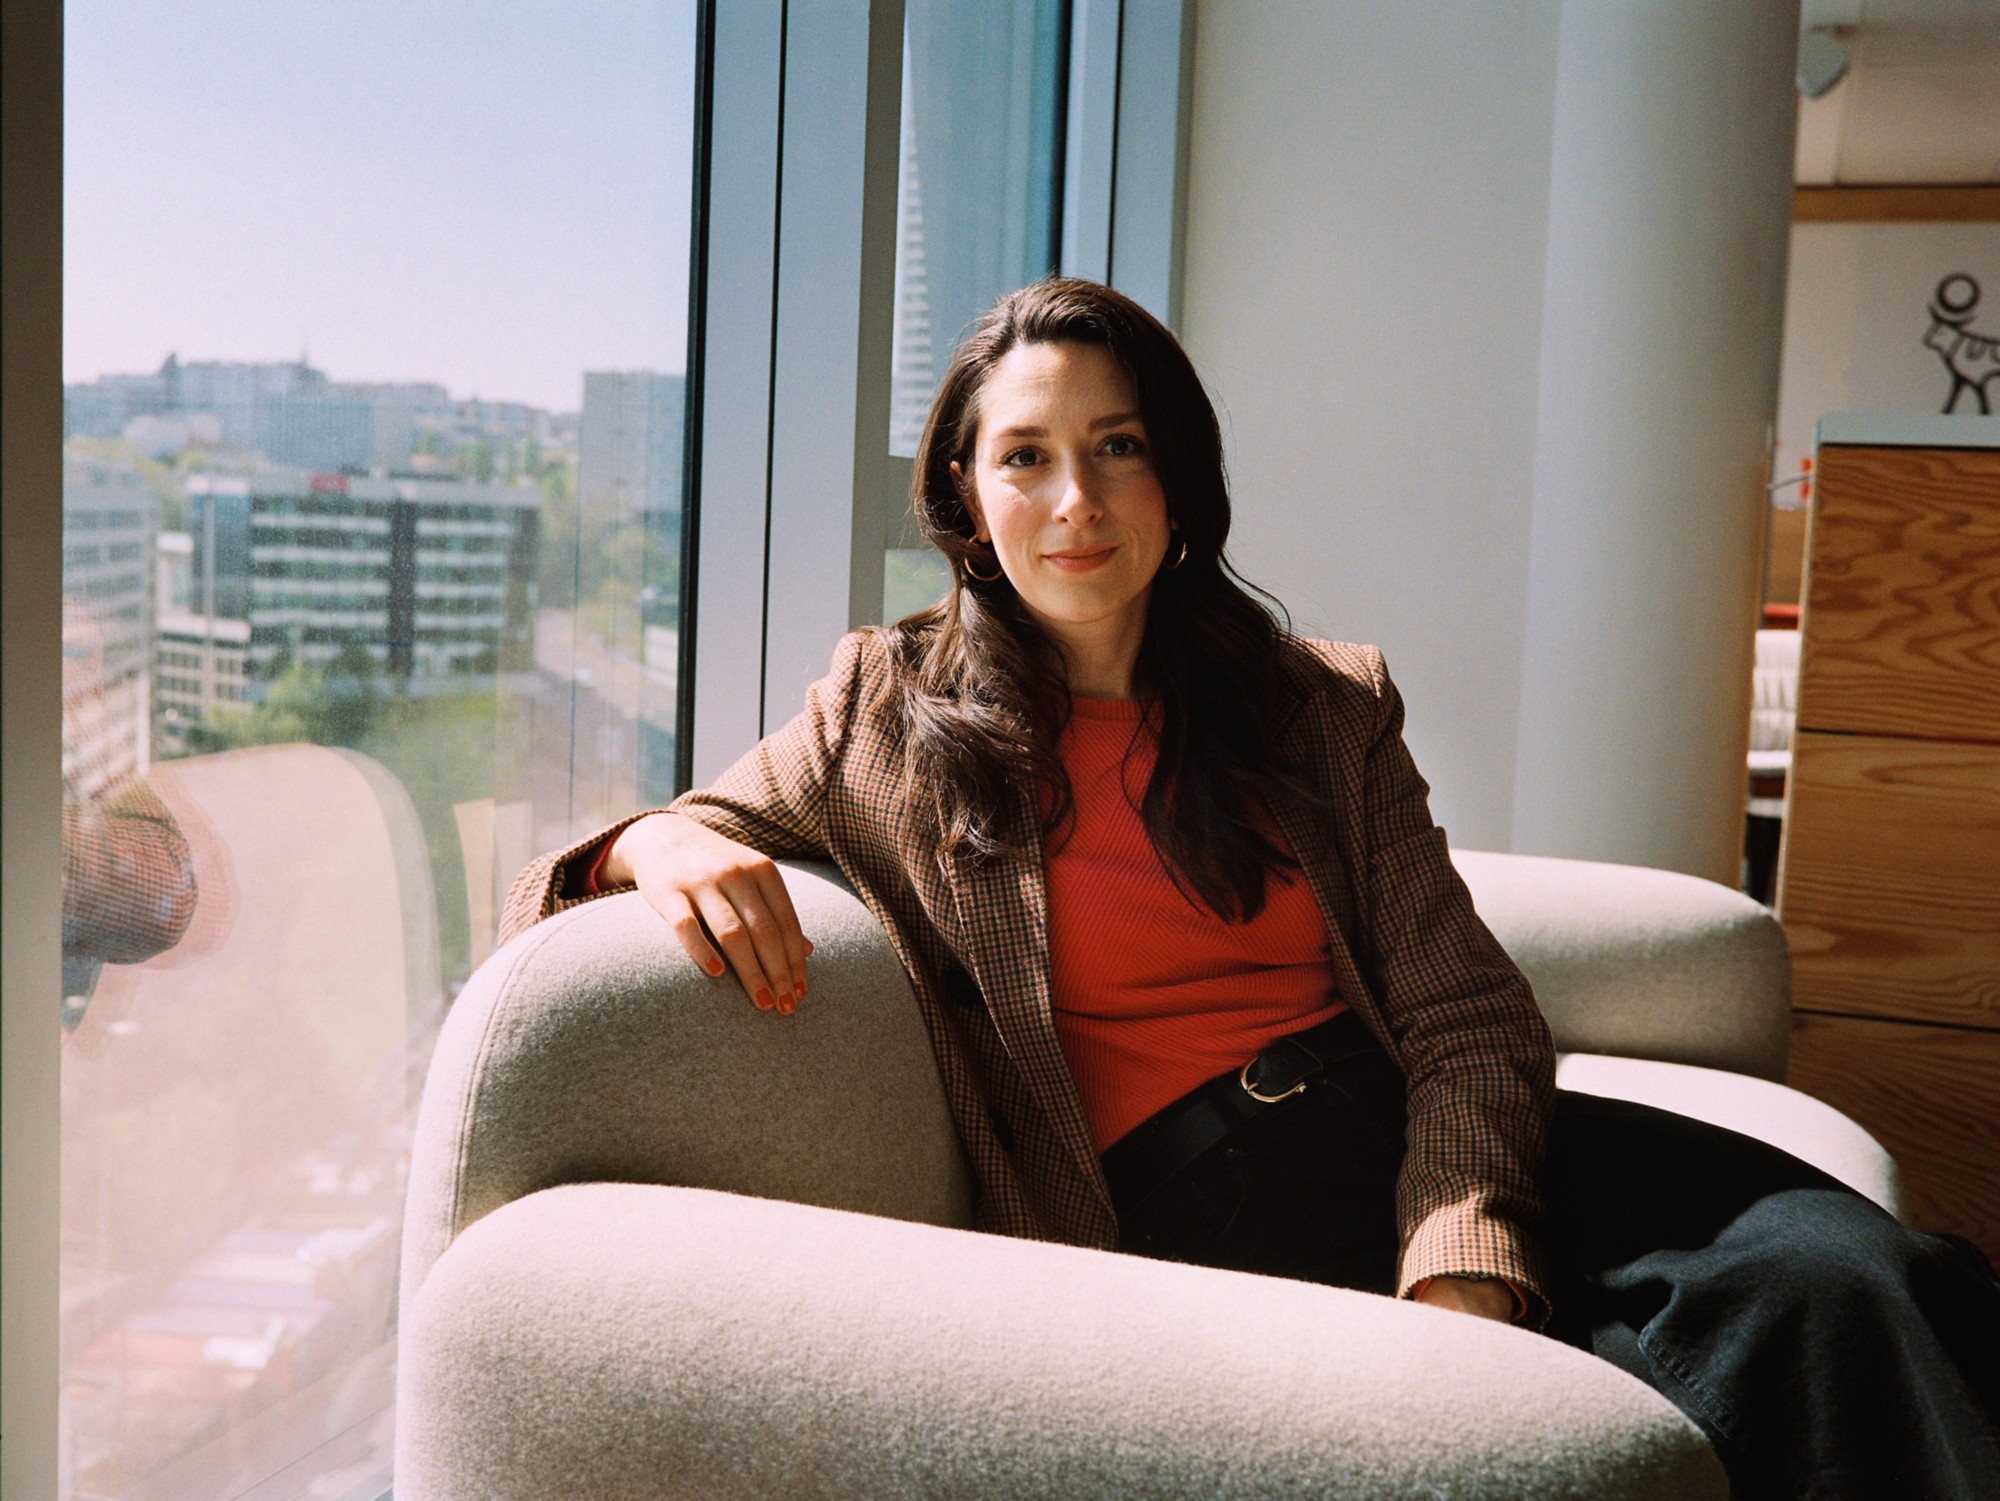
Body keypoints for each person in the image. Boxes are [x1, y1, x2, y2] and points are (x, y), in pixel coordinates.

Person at [501, 278, 2000, 1500]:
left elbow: (1471, 1015)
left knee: (1861, 1267)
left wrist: (1459, 1259)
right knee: (1770, 1346)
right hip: (1203, 1205)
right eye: (1025, 454)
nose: (1075, 497)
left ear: (1181, 473)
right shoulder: (881, 710)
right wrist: (657, 841)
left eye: (1120, 444)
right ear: (965, 490)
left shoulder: (1319, 708)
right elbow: (554, 893)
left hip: (1422, 1135)